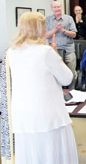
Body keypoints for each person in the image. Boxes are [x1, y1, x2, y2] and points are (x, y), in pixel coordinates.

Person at [6, 12, 78, 163]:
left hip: (23, 115)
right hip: (47, 115)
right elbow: (67, 78)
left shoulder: (11, 52)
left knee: (31, 155)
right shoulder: (45, 52)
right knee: (51, 153)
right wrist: (56, 54)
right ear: (38, 28)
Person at [45, 1, 77, 90]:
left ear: (61, 7)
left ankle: (72, 92)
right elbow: (46, 35)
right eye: (55, 7)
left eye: (58, 6)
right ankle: (58, 92)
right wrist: (55, 29)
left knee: (71, 74)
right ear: (52, 9)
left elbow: (74, 34)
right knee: (55, 74)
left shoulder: (69, 18)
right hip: (53, 51)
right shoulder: (48, 19)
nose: (57, 9)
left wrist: (63, 30)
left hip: (68, 50)